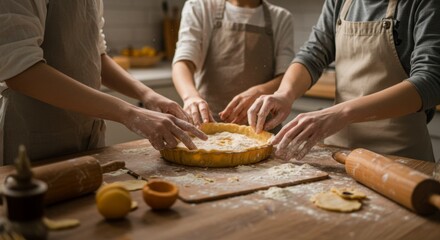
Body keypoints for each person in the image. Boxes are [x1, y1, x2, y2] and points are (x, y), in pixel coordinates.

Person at [0, 0, 207, 165]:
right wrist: (130, 113)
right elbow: (20, 69)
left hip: (87, 132)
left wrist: (147, 95)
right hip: (34, 135)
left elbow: (96, 54)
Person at [248, 0, 440, 161]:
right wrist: (284, 94)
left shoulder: (424, 3)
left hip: (399, 156)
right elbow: (313, 54)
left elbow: (430, 81)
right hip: (339, 154)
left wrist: (341, 113)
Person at [172, 0, 294, 128]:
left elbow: (287, 76)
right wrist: (190, 97)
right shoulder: (199, 7)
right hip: (208, 124)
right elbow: (183, 62)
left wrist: (260, 91)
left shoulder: (281, 17)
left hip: (262, 126)